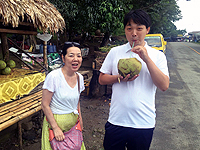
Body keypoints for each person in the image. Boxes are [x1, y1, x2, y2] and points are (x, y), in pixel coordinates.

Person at [99, 9, 169, 150]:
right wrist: (119, 78)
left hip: (143, 123)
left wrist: (146, 59)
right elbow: (102, 79)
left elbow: (164, 85)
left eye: (139, 28)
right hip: (116, 121)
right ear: (125, 30)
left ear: (147, 30)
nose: (134, 33)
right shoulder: (115, 52)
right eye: (129, 28)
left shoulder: (157, 56)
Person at [41, 42, 86, 150]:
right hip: (55, 125)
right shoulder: (54, 77)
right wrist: (55, 128)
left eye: (79, 55)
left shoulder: (80, 78)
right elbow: (44, 105)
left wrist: (80, 119)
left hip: (73, 126)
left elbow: (77, 101)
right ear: (63, 58)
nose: (76, 59)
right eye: (71, 55)